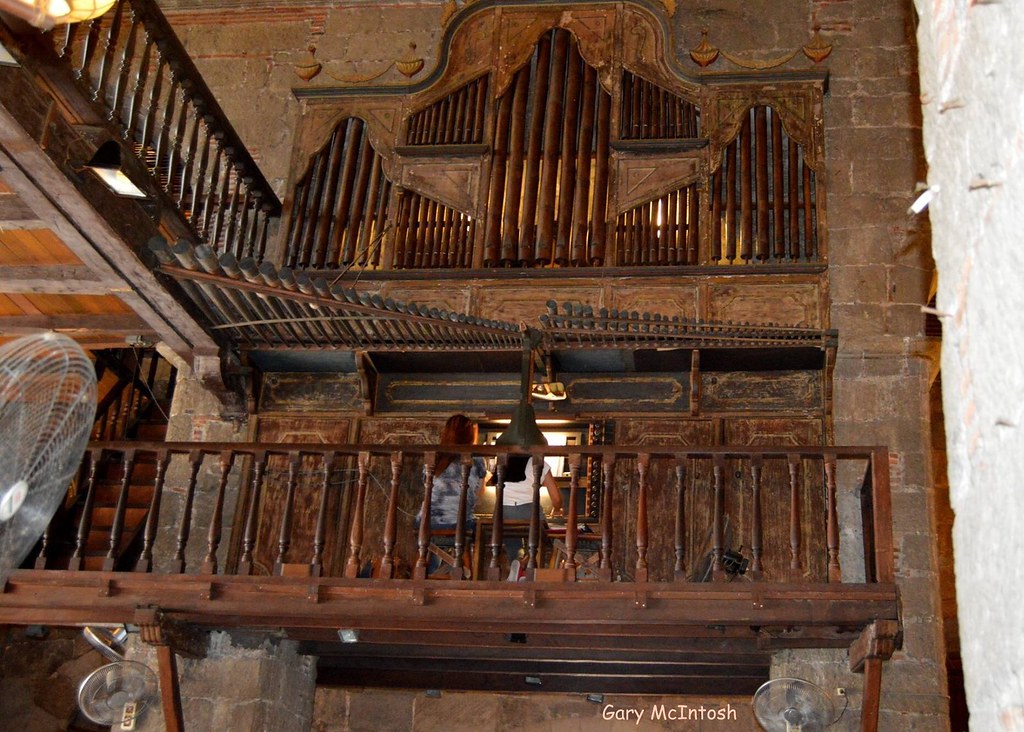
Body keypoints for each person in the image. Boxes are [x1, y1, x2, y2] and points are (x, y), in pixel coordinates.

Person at [498, 454, 564, 580]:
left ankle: (516, 567)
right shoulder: (539, 462)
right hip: (529, 510)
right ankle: (527, 569)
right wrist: (556, 508)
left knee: (512, 541)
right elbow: (556, 498)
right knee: (539, 541)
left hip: (503, 511)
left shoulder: (503, 460)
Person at [417, 414, 486, 530]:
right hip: (460, 523)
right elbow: (479, 492)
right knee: (479, 530)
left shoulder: (434, 457)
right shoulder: (477, 458)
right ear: (470, 435)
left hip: (426, 523)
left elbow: (425, 484)